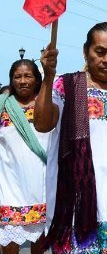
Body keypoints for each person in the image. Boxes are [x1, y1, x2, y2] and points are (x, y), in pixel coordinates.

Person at [34, 21, 107, 253]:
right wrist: (47, 77)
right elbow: (43, 123)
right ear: (85, 51)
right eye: (100, 51)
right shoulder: (66, 86)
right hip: (76, 211)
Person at [0, 59, 48, 254]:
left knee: (39, 244)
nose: (22, 81)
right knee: (9, 245)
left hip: (41, 187)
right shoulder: (3, 106)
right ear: (12, 80)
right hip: (9, 187)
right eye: (17, 77)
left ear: (37, 79)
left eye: (28, 76)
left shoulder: (46, 107)